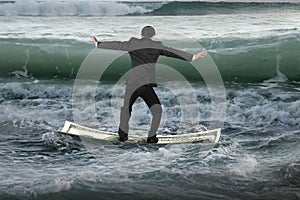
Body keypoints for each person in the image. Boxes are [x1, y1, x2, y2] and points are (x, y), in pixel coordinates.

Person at [90, 26, 206, 143]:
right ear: (153, 36)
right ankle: (151, 137)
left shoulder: (133, 44)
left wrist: (98, 43)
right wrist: (192, 57)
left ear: (141, 35)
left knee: (126, 109)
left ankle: (123, 136)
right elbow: (172, 52)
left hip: (132, 84)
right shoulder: (157, 46)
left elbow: (117, 45)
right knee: (157, 111)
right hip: (146, 86)